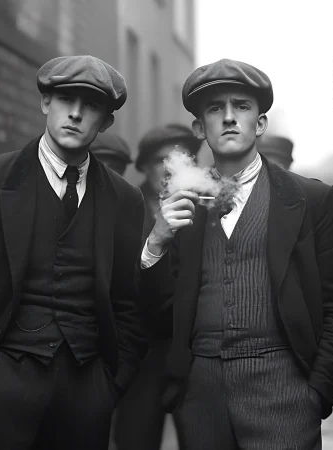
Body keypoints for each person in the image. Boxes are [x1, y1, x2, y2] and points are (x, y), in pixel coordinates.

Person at [0, 55, 148, 450]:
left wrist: (112, 384)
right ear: (45, 102)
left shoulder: (125, 199)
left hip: (87, 393)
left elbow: (129, 301)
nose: (75, 114)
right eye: (66, 99)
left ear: (106, 122)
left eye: (91, 105)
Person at [140, 58, 333, 449]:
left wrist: (318, 389)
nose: (228, 117)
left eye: (241, 106)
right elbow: (159, 314)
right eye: (215, 109)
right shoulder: (185, 205)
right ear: (199, 128)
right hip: (200, 398)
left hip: (284, 392)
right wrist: (156, 243)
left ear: (260, 123)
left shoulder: (311, 199)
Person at [111, 123, 200, 450]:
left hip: (191, 352)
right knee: (136, 438)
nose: (171, 167)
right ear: (145, 166)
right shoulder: (124, 205)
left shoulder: (204, 207)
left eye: (181, 158)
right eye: (162, 160)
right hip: (141, 352)